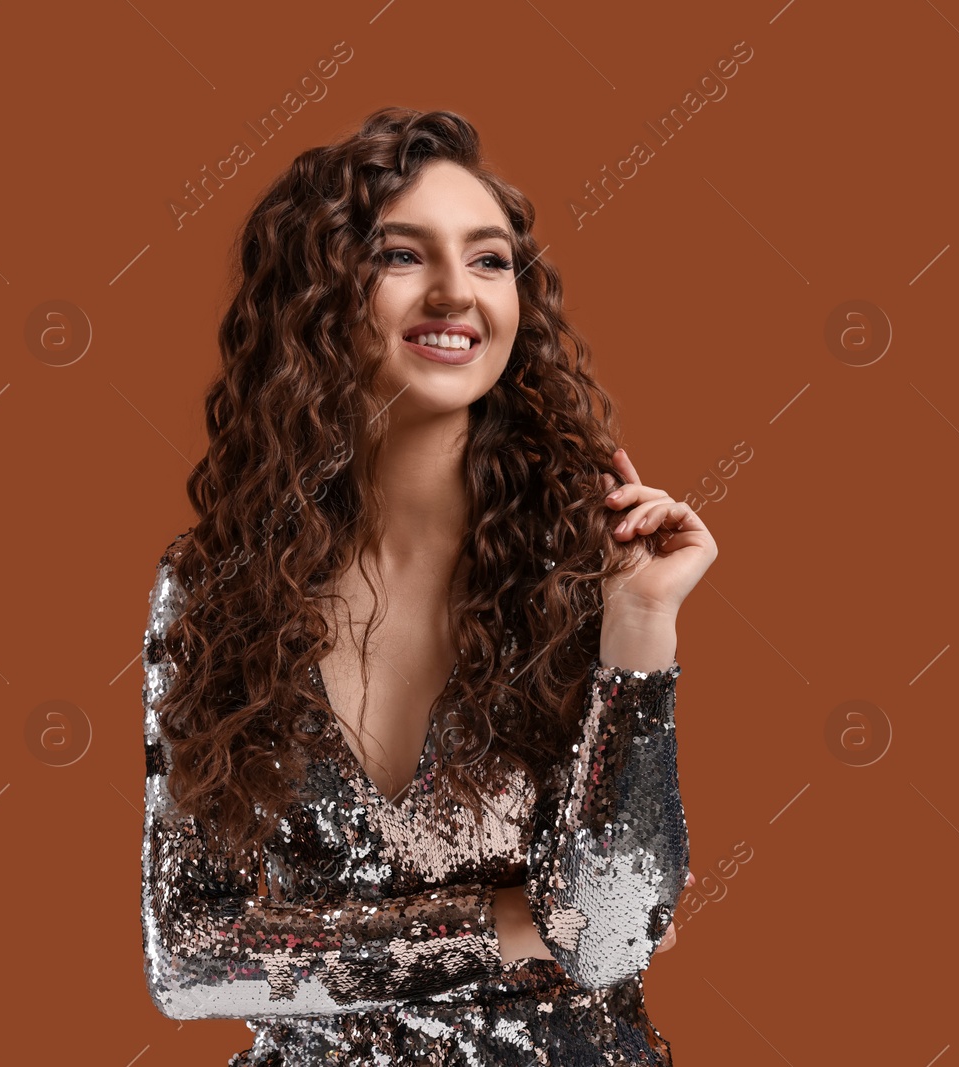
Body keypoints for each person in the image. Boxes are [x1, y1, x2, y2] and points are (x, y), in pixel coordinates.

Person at [138, 106, 718, 1066]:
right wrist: (510, 921)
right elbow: (190, 959)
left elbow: (613, 931)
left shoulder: (594, 568)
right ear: (315, 298)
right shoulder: (213, 589)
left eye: (490, 261)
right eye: (403, 255)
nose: (457, 292)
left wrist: (642, 622)